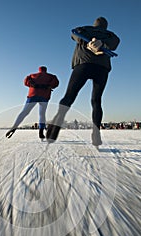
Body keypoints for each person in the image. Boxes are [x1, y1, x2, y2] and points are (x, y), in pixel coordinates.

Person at [46, 17, 120, 146]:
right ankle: (96, 134)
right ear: (106, 26)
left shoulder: (85, 29)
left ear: (95, 24)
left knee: (69, 97)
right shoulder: (110, 35)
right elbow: (115, 43)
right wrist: (102, 43)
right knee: (96, 100)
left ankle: (56, 123)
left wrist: (87, 41)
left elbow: (74, 34)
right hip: (102, 69)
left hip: (83, 64)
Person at [6, 66, 59, 139]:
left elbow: (26, 82)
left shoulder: (32, 75)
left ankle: (13, 128)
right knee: (42, 114)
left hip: (33, 95)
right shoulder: (51, 76)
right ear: (46, 70)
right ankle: (41, 132)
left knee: (24, 112)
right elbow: (56, 83)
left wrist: (32, 83)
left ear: (39, 70)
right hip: (44, 96)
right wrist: (48, 85)